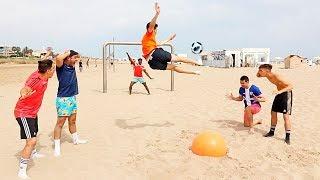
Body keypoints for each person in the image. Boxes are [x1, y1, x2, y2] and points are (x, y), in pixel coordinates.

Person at [14, 59, 55, 179]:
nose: (54, 72)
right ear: (47, 71)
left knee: (35, 133)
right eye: (52, 70)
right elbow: (26, 88)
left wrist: (48, 55)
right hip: (24, 113)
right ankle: (22, 171)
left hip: (33, 112)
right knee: (32, 141)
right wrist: (23, 93)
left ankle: (33, 152)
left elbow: (44, 63)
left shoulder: (43, 73)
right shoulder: (35, 79)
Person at [141, 3, 201, 75]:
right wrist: (157, 14)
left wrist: (169, 39)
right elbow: (151, 25)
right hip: (155, 54)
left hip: (151, 62)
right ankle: (197, 63)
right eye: (156, 29)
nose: (156, 31)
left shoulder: (147, 40)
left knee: (173, 67)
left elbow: (159, 44)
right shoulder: (149, 33)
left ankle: (194, 72)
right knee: (179, 58)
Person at [53, 50, 87, 157]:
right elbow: (58, 59)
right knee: (60, 124)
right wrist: (68, 52)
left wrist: (75, 55)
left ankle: (76, 140)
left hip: (72, 98)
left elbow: (78, 58)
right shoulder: (61, 67)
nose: (77, 60)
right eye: (74, 58)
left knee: (72, 121)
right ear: (68, 58)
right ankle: (57, 147)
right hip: (63, 99)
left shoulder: (72, 66)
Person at [256, 64, 293, 144]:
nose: (259, 72)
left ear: (267, 71)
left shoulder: (277, 76)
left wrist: (279, 91)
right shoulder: (267, 75)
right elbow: (258, 75)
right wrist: (259, 72)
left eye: (261, 70)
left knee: (285, 116)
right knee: (273, 112)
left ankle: (287, 137)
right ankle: (271, 132)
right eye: (259, 70)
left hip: (286, 94)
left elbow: (291, 86)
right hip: (278, 93)